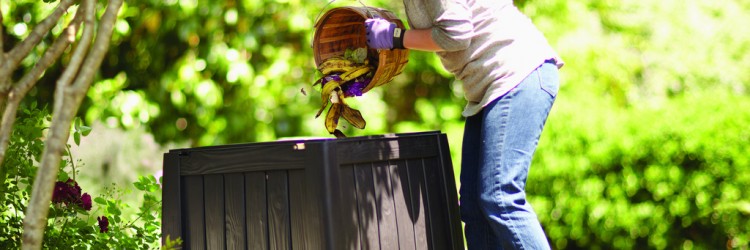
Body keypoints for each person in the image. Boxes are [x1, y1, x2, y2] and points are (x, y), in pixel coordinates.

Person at [365, 1, 563, 249]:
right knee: (473, 207)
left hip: (516, 73)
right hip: (488, 89)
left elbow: (456, 33)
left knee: (500, 197)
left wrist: (395, 37)